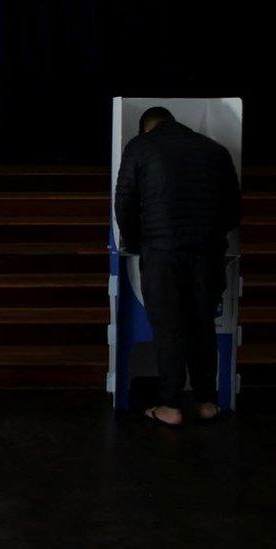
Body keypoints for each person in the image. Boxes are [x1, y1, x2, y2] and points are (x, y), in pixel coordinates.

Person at [115, 106, 242, 426]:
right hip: (207, 253)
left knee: (169, 327)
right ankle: (205, 401)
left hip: (161, 252)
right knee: (202, 325)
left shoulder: (140, 147)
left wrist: (133, 242)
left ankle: (170, 406)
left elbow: (125, 199)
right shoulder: (215, 150)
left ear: (146, 128)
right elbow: (233, 210)